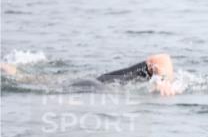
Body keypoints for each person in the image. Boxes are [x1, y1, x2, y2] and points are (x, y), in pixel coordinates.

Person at [2, 53, 178, 96]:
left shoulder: (123, 79)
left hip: (89, 84)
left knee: (30, 80)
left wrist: (161, 80)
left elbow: (163, 58)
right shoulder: (116, 84)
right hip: (88, 89)